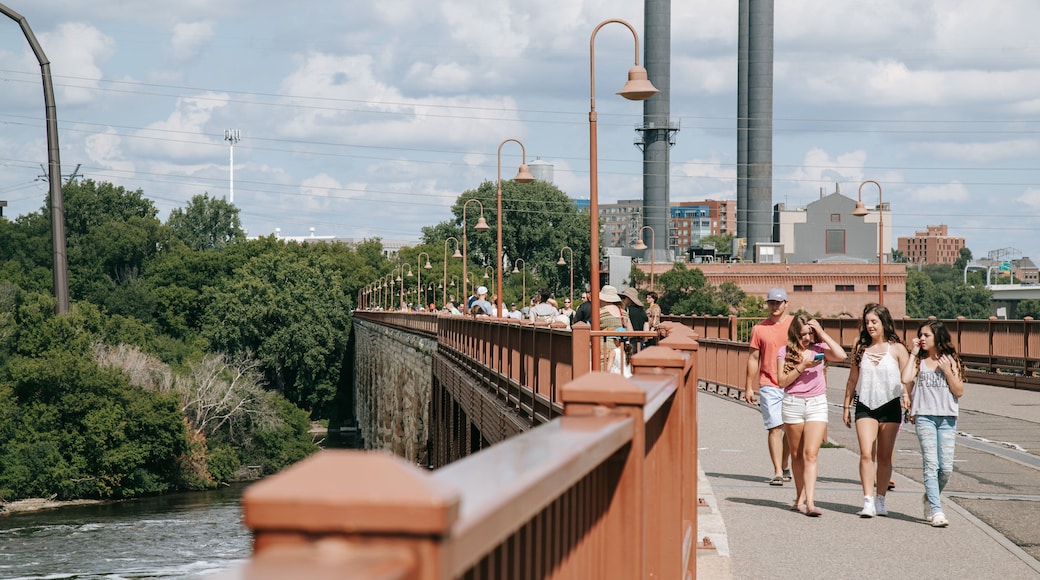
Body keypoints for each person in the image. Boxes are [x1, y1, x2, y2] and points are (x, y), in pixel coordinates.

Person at [842, 303, 911, 518]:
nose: (870, 326)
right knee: (865, 453)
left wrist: (907, 396)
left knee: (884, 457)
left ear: (884, 323)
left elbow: (908, 377)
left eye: (874, 322)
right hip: (865, 405)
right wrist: (846, 405)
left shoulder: (897, 349)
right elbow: (853, 378)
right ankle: (867, 500)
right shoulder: (860, 347)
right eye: (867, 322)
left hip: (890, 405)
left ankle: (881, 499)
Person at [777, 314, 846, 516]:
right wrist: (802, 366)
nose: (806, 338)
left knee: (811, 453)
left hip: (816, 403)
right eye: (802, 334)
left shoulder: (820, 350)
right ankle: (799, 498)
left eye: (809, 333)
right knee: (797, 455)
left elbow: (841, 355)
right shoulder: (785, 351)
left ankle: (810, 502)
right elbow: (781, 381)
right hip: (793, 403)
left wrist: (823, 334)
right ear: (794, 334)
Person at [901, 320, 965, 527]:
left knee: (945, 469)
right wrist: (912, 353)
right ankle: (937, 510)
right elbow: (905, 377)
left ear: (938, 337)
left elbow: (959, 391)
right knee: (931, 464)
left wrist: (947, 370)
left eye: (927, 335)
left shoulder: (950, 360)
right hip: (925, 417)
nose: (922, 338)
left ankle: (930, 497)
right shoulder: (919, 361)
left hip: (947, 418)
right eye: (920, 335)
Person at [744, 287, 793, 486]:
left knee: (791, 428)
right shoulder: (759, 329)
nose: (774, 306)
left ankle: (784, 462)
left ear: (786, 304)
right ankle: (777, 471)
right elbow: (754, 358)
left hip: (792, 382)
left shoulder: (795, 325)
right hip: (769, 383)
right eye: (771, 302)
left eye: (778, 303)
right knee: (774, 427)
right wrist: (748, 386)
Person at [598, 285, 632, 370]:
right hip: (620, 349)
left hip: (604, 348)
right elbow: (630, 331)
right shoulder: (623, 313)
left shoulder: (600, 312)